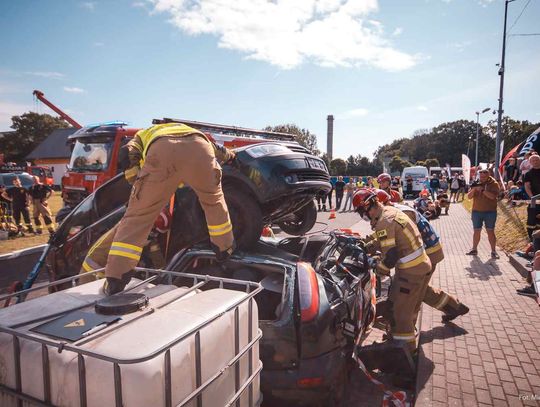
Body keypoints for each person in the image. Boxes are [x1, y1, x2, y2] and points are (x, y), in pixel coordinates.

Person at [101, 121, 236, 295]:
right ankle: (225, 249)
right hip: (200, 149)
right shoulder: (193, 133)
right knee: (214, 201)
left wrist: (136, 183)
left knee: (138, 218)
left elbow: (126, 154)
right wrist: (232, 157)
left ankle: (116, 279)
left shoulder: (144, 133)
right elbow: (220, 151)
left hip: (162, 152)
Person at [352, 188, 431, 354]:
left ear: (368, 206)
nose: (363, 217)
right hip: (415, 266)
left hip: (411, 272)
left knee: (402, 316)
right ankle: (394, 338)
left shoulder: (384, 222)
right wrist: (364, 246)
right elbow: (381, 238)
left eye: (362, 212)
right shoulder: (388, 212)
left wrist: (375, 268)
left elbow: (390, 257)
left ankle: (405, 354)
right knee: (394, 303)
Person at [374, 189, 469, 322]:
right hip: (424, 252)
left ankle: (408, 328)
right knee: (419, 288)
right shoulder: (393, 211)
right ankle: (453, 307)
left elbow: (406, 239)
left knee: (412, 292)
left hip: (426, 253)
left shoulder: (399, 213)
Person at [466, 169, 500, 259]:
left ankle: (493, 251)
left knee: (490, 231)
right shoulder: (476, 183)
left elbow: (492, 197)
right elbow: (469, 197)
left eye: (484, 177)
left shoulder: (494, 184)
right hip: (476, 211)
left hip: (490, 211)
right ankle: (474, 249)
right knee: (476, 231)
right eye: (480, 176)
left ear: (488, 175)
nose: (482, 178)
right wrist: (474, 189)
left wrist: (482, 190)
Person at [523, 154, 540, 239]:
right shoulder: (528, 174)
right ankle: (532, 239)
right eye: (533, 160)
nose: (535, 162)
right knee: (532, 219)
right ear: (530, 162)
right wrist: (532, 197)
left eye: (537, 160)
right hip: (534, 200)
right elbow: (527, 186)